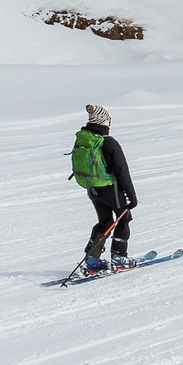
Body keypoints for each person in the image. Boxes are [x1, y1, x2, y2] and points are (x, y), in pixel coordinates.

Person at [71, 105, 139, 273]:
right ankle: (119, 258)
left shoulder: (85, 140)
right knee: (123, 218)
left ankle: (92, 260)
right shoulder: (108, 142)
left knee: (105, 222)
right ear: (105, 121)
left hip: (92, 188)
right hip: (110, 189)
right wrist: (132, 196)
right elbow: (122, 171)